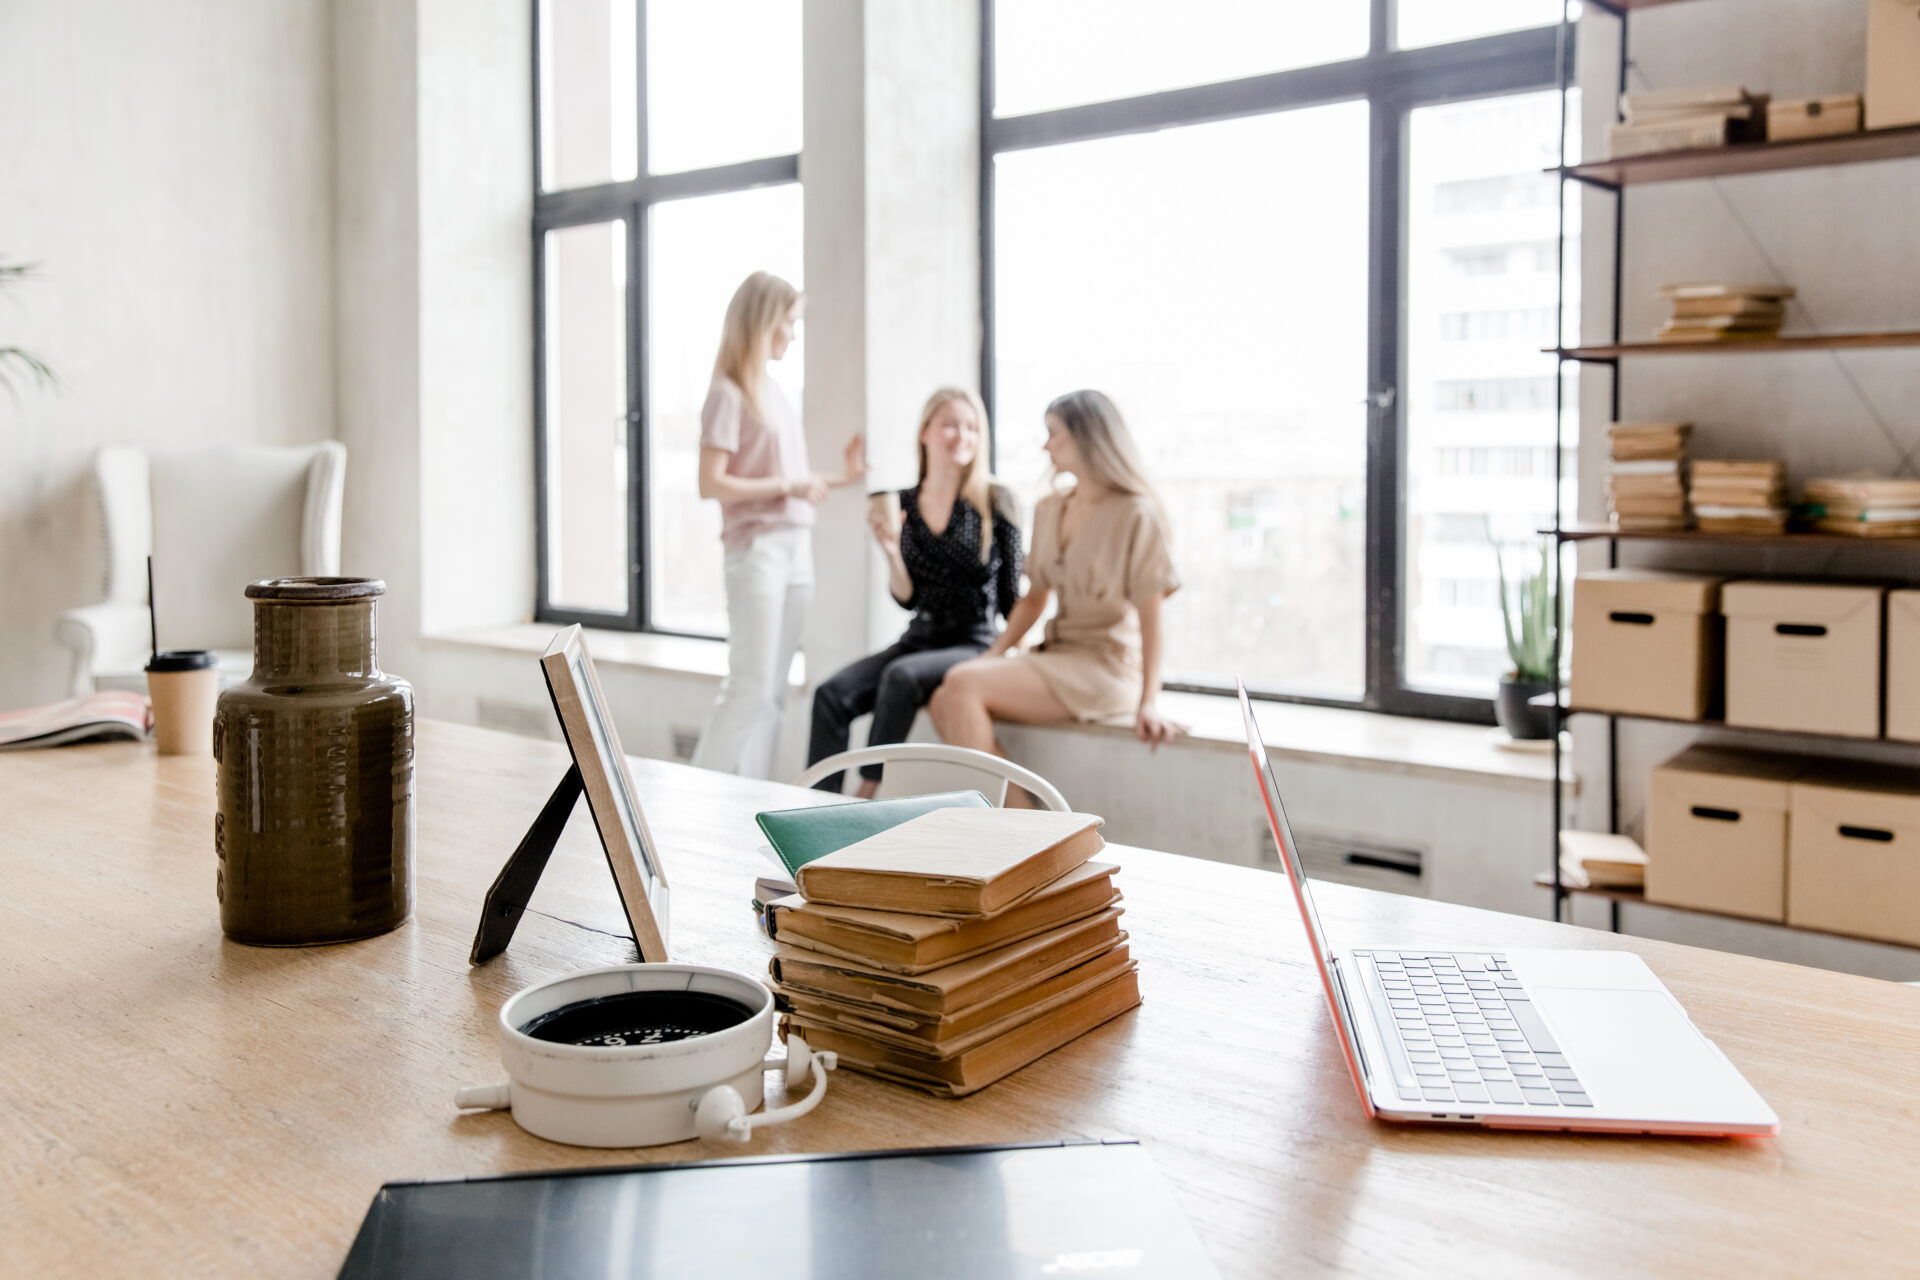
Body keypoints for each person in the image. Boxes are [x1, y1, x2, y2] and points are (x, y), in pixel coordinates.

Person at [929, 390, 1183, 802]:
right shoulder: (1051, 508)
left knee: (960, 686)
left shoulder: (1135, 513)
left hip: (1107, 666)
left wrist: (1149, 701)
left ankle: (1011, 835)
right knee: (944, 698)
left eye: (1054, 434)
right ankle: (1029, 828)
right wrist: (994, 655)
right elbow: (1034, 600)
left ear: (1087, 438)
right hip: (1058, 654)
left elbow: (1151, 617)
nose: (1046, 445)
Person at [689, 271, 864, 780]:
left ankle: (753, 801)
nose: (793, 332)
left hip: (795, 548)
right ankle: (696, 794)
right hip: (757, 552)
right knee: (748, 687)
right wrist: (787, 485)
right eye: (789, 322)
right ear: (765, 322)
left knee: (774, 695)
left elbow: (789, 479)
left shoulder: (773, 391)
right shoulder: (727, 393)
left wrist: (845, 478)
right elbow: (711, 482)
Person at [806, 387, 1023, 796]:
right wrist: (891, 553)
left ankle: (863, 796)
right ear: (925, 432)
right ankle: (814, 805)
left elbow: (1012, 598)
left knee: (901, 677)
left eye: (972, 427)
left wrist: (1020, 653)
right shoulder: (901, 501)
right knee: (830, 694)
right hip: (920, 635)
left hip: (972, 640)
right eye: (951, 425)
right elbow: (907, 597)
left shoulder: (996, 500)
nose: (962, 436)